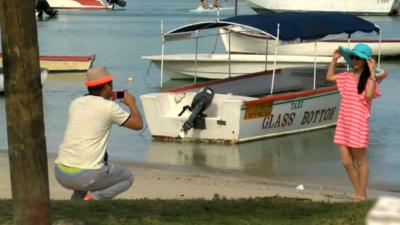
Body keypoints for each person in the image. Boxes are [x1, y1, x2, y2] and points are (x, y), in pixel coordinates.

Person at [54, 66, 143, 200]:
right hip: (85, 175)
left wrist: (106, 98)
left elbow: (94, 107)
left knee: (87, 165)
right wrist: (131, 103)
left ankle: (77, 201)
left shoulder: (75, 103)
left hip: (61, 173)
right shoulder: (109, 107)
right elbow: (138, 125)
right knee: (127, 178)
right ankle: (94, 197)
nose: (112, 89)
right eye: (111, 85)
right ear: (107, 87)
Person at [326, 43, 387, 202]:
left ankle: (360, 194)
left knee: (360, 161)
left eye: (358, 58)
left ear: (365, 61)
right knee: (346, 162)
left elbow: (368, 96)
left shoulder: (369, 79)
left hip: (358, 124)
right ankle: (360, 193)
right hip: (344, 123)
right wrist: (334, 60)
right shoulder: (346, 75)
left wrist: (373, 73)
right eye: (353, 57)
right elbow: (329, 77)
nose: (355, 60)